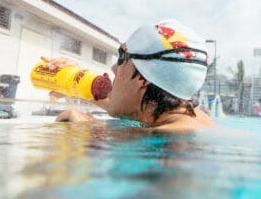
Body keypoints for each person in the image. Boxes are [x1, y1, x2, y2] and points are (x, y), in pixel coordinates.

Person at [54, 19, 216, 131]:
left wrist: (87, 127)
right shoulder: (197, 118)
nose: (113, 68)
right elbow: (125, 103)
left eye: (122, 56)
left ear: (142, 78)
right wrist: (76, 81)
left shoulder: (155, 144)